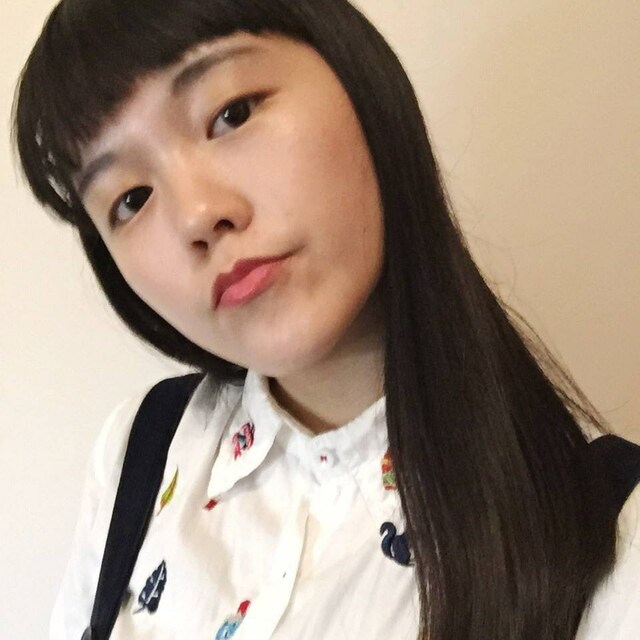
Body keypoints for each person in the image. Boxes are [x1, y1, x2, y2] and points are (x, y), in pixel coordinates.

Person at [11, 1, 640, 639]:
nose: (197, 215)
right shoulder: (140, 455)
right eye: (131, 199)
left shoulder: (613, 547)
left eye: (232, 114)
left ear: (358, 78)